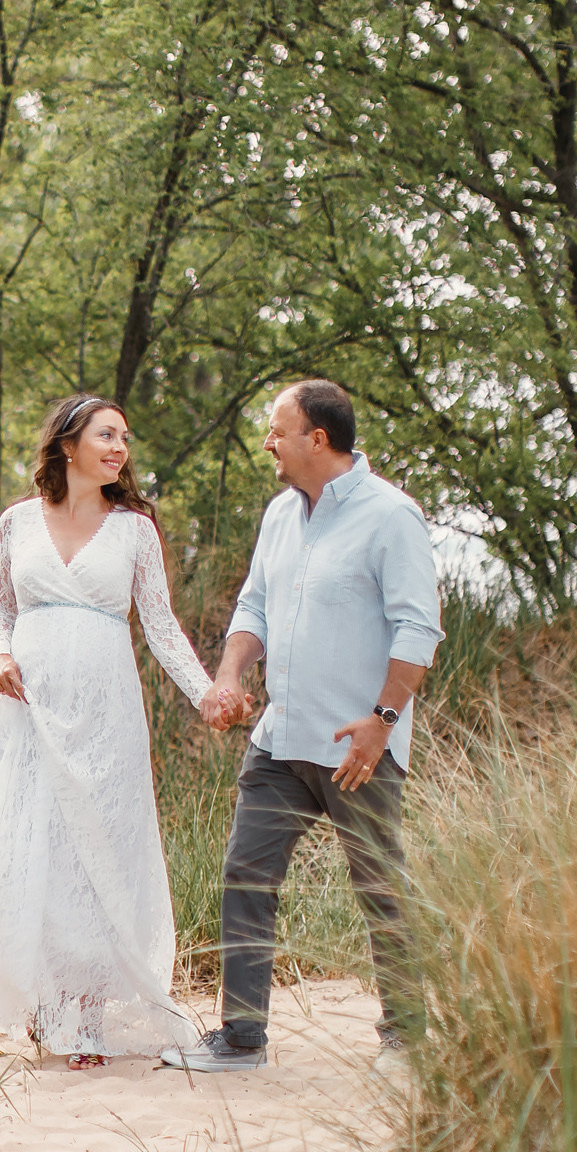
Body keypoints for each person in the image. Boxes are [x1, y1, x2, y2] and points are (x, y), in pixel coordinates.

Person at [163, 379, 444, 1074]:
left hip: (359, 748)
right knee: (246, 873)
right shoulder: (280, 516)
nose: (268, 443)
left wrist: (383, 721)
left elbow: (419, 626)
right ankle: (241, 1037)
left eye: (277, 430)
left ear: (317, 438)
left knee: (381, 885)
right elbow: (253, 607)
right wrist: (229, 673)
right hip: (281, 741)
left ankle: (408, 1038)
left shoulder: (392, 517)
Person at [0, 394, 212, 1070]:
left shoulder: (134, 529)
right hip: (29, 708)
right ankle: (50, 1007)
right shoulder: (17, 523)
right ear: (69, 443)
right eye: (107, 435)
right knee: (28, 845)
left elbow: (161, 628)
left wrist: (205, 695)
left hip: (106, 710)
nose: (120, 448)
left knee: (102, 847)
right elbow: (0, 610)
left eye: (125, 439)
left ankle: (93, 1016)